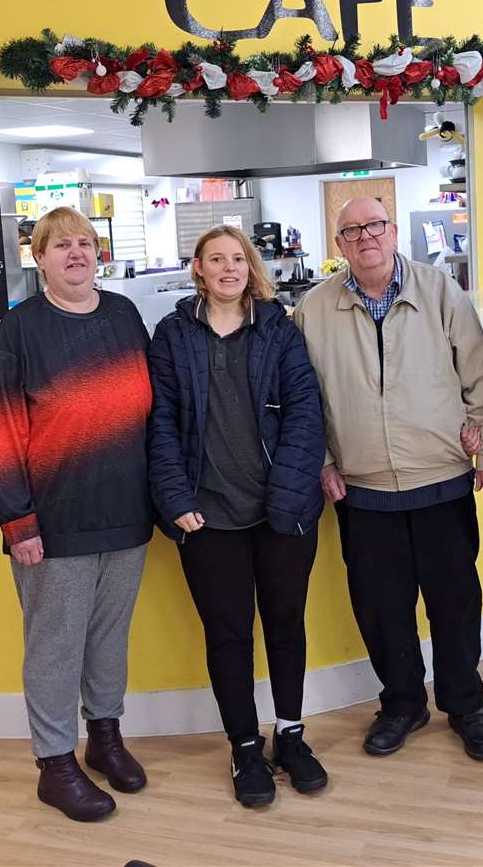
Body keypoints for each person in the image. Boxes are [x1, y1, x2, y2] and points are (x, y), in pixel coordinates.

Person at [294, 196, 483, 761]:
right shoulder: (314, 309)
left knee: (454, 602)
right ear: (338, 245)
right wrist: (319, 460)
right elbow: (302, 400)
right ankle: (402, 704)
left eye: (375, 226)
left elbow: (482, 379)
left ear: (393, 232)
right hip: (362, 490)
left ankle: (467, 706)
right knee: (381, 606)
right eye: (351, 231)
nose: (365, 237)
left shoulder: (441, 292)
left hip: (440, 479)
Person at [0, 206, 154, 822]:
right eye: (61, 246)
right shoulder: (21, 328)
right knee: (54, 646)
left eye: (85, 243)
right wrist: (17, 521)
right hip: (52, 526)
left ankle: (104, 739)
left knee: (109, 640)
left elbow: (155, 412)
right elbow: (0, 428)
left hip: (126, 516)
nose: (76, 254)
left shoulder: (125, 316)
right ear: (40, 257)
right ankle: (55, 763)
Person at [147, 225, 328, 808]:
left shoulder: (279, 329)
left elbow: (306, 415)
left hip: (283, 513)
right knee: (228, 637)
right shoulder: (173, 336)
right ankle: (245, 745)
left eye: (238, 259)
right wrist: (176, 501)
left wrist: (289, 494)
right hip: (208, 519)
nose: (229, 268)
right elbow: (161, 425)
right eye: (216, 259)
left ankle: (292, 736)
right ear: (197, 268)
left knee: (285, 625)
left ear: (251, 267)